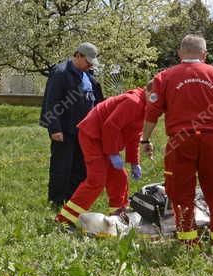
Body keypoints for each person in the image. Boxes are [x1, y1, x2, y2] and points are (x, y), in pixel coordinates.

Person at [141, 35, 213, 249]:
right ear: (205, 54)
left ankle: (187, 241)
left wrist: (145, 139)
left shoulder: (164, 77)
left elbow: (152, 113)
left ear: (180, 53)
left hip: (180, 141)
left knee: (180, 192)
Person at [55, 84, 148, 228]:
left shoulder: (144, 106)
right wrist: (112, 153)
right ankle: (64, 220)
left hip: (106, 139)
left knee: (119, 176)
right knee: (96, 180)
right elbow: (110, 126)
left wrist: (134, 162)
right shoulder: (134, 102)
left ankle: (118, 214)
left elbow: (134, 135)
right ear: (151, 92)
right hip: (93, 136)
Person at [40, 42, 105, 208]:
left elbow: (96, 101)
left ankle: (71, 200)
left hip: (83, 132)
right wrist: (54, 128)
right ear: (78, 55)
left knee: (80, 167)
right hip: (64, 130)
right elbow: (52, 101)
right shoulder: (60, 73)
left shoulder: (88, 76)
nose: (90, 65)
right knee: (61, 167)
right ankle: (56, 201)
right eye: (88, 61)